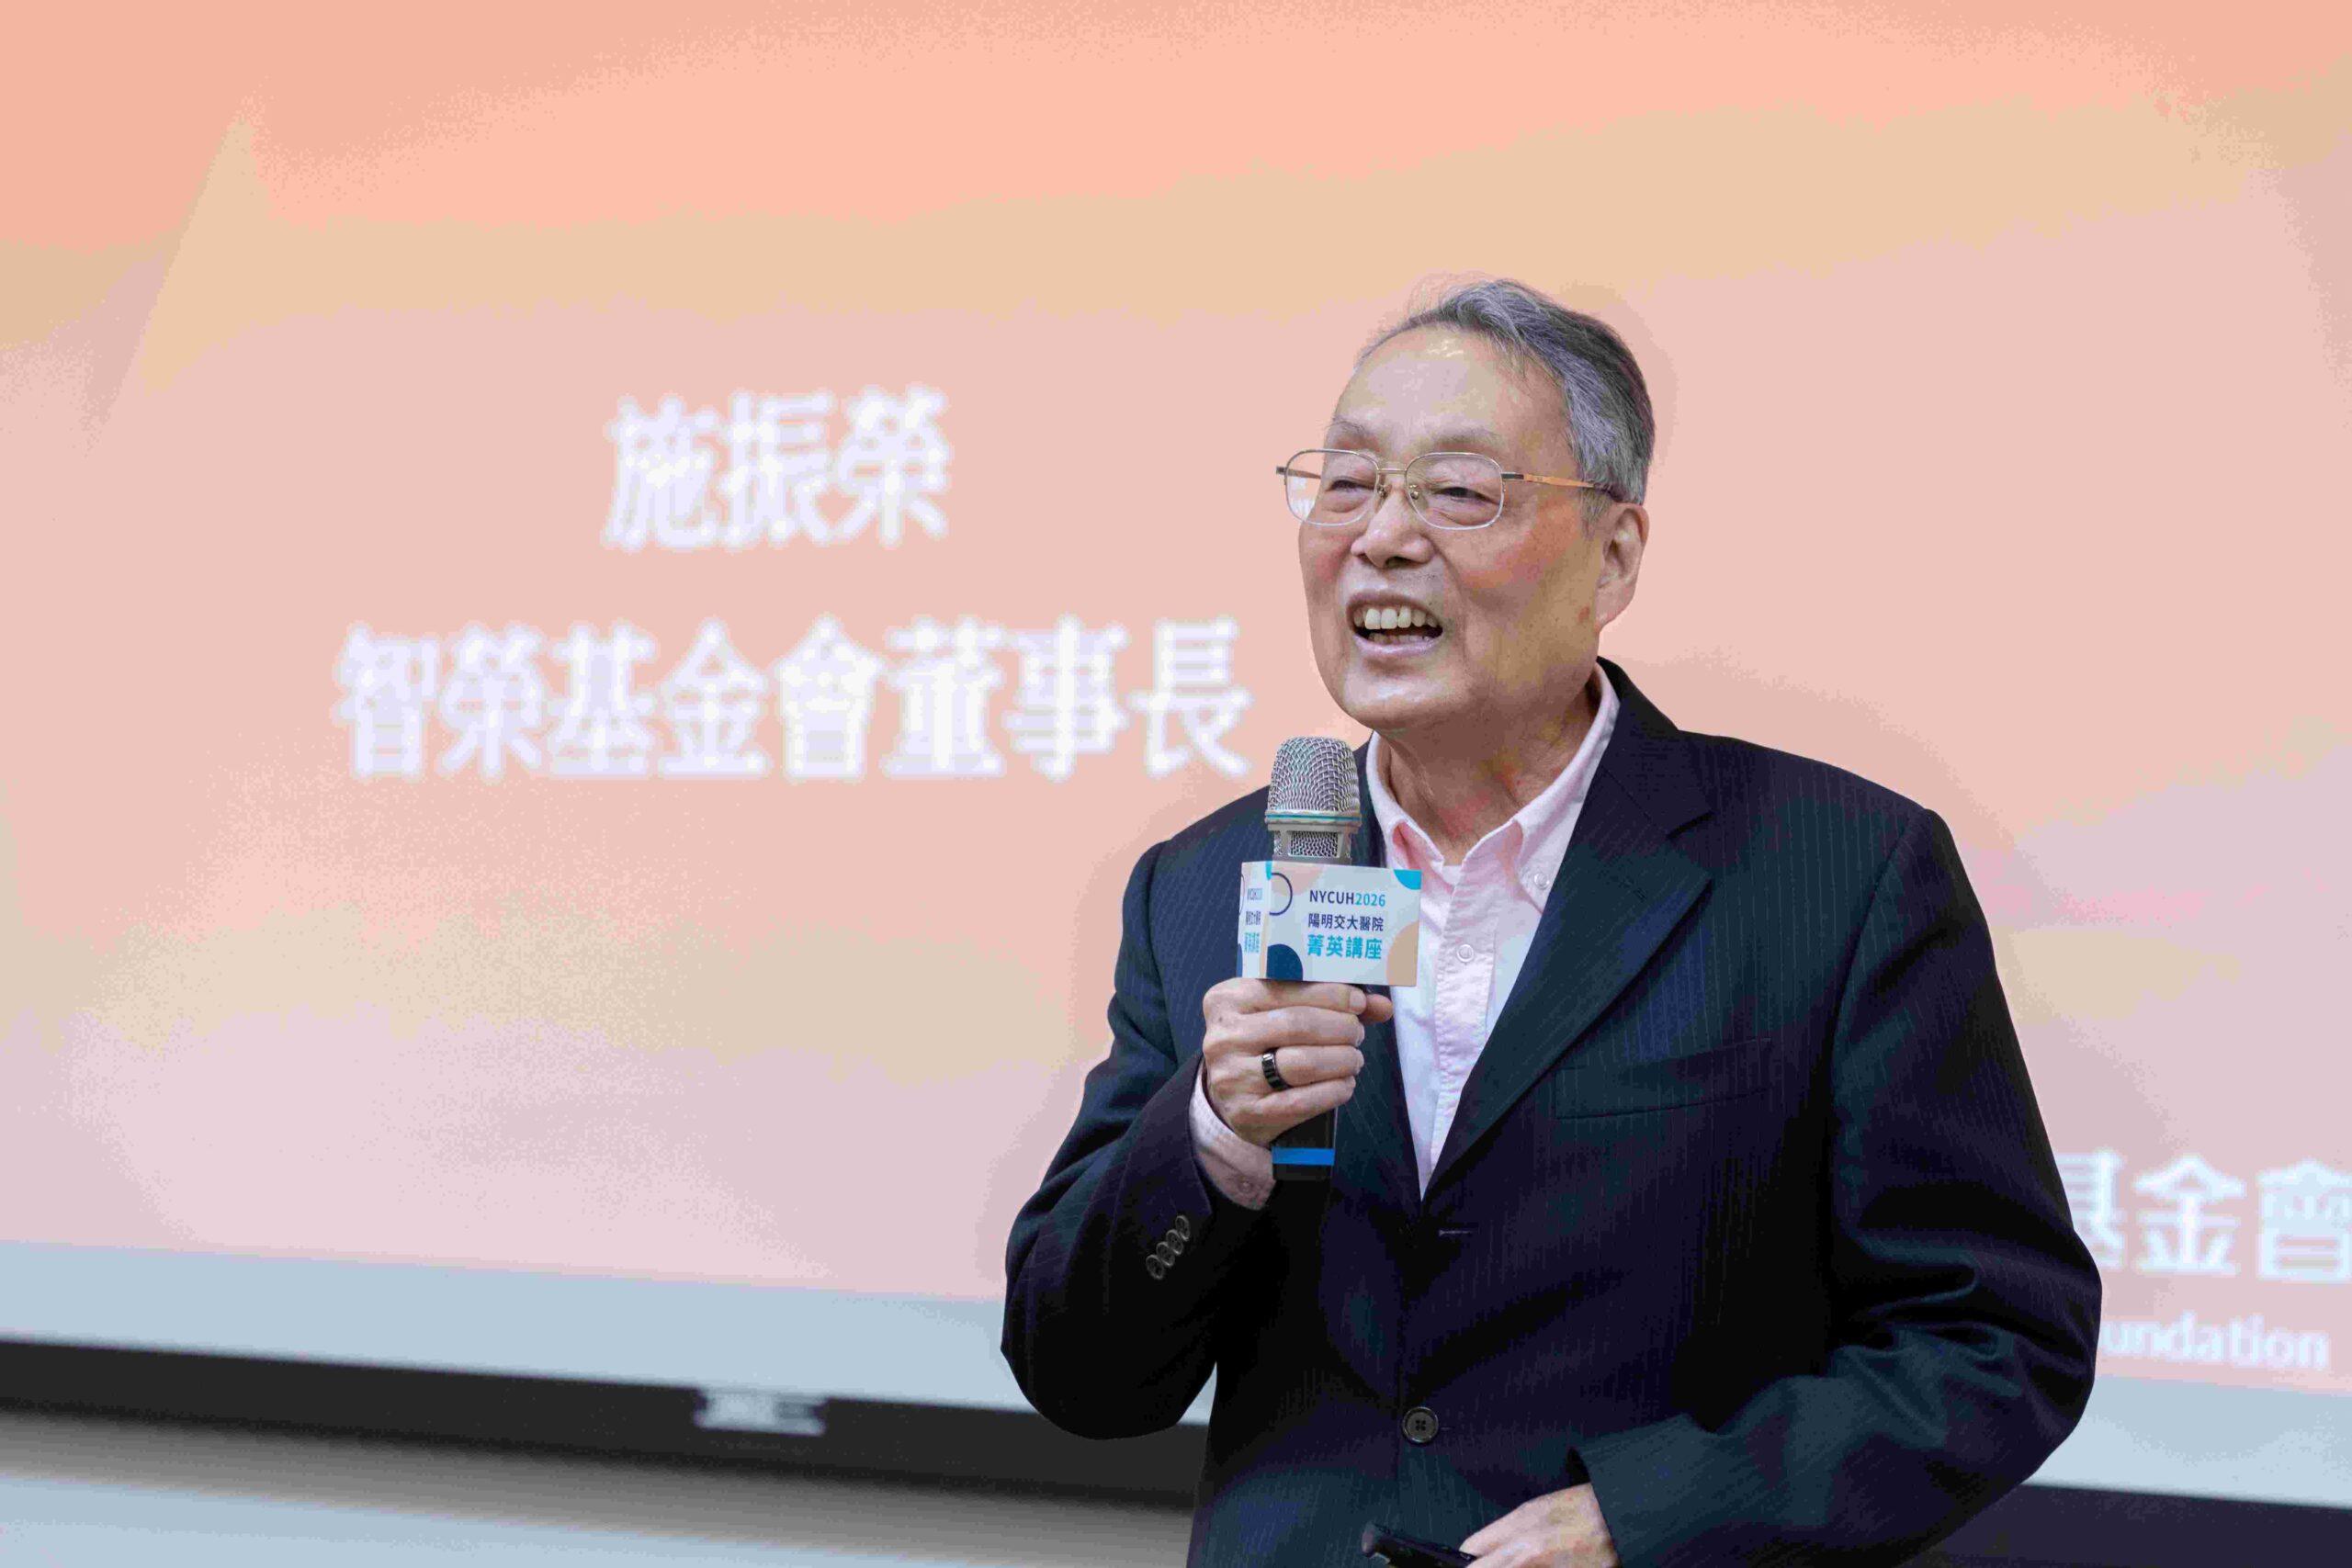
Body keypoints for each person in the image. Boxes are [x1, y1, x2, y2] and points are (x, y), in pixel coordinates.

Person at [1001, 277, 2099, 1566]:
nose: (1383, 537)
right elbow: (1082, 1376)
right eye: (1346, 484)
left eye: (1459, 492)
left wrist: (1654, 1519)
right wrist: (1212, 1135)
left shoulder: (1838, 874)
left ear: (1615, 556)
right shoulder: (1202, 884)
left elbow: (1991, 1340)